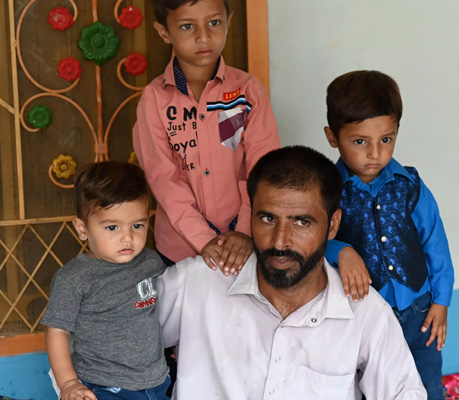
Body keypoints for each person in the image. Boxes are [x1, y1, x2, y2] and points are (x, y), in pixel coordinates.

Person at [157, 146, 427, 399]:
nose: (279, 242)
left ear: (332, 226)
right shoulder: (198, 283)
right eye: (267, 219)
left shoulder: (363, 313)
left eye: (301, 222)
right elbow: (118, 333)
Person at [324, 70, 455, 400]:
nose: (375, 153)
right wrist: (339, 250)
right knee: (372, 388)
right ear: (332, 137)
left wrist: (441, 301)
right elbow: (312, 240)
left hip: (420, 311)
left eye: (386, 139)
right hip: (365, 318)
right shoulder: (327, 190)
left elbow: (435, 243)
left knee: (427, 385)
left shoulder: (409, 185)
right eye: (360, 142)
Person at [133, 0, 279, 274]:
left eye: (214, 22)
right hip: (180, 250)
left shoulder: (247, 91)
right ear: (164, 32)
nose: (204, 36)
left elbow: (265, 168)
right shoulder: (154, 100)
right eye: (187, 26)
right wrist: (203, 239)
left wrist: (246, 231)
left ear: (228, 21)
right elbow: (163, 179)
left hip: (247, 243)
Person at [41, 162, 169, 400]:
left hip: (157, 382)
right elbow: (57, 331)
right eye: (112, 227)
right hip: (103, 387)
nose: (127, 237)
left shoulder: (150, 262)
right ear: (82, 229)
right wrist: (69, 383)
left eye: (138, 225)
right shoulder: (74, 278)